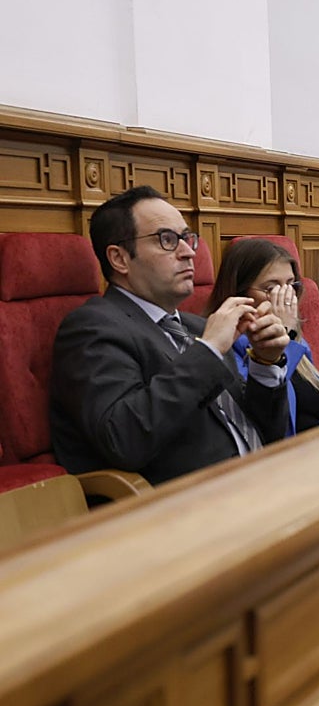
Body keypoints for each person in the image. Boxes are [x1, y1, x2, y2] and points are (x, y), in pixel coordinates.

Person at [51, 185, 290, 485]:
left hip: (264, 480)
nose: (189, 252)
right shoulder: (91, 328)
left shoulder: (196, 327)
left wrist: (265, 365)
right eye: (167, 240)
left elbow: (265, 431)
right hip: (186, 506)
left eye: (188, 238)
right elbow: (125, 439)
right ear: (120, 258)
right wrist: (209, 351)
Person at [208, 238, 319, 435]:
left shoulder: (297, 338)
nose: (286, 297)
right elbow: (269, 419)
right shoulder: (225, 345)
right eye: (271, 289)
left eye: (290, 286)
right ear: (239, 293)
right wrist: (283, 338)